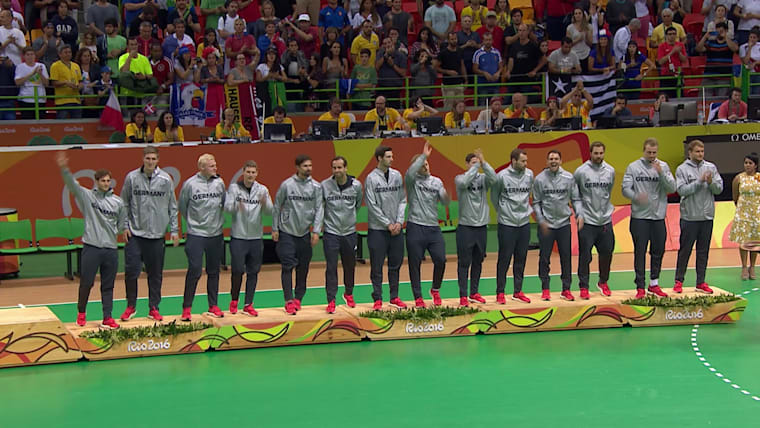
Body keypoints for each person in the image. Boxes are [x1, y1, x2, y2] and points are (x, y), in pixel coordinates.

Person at [56, 151, 126, 329]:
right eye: (102, 181)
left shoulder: (118, 202)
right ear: (97, 181)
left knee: (108, 285)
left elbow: (122, 222)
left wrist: (123, 229)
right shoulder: (88, 197)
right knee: (86, 282)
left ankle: (107, 317)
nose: (105, 183)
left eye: (108, 181)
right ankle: (81, 313)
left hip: (110, 249)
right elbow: (72, 185)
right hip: (91, 248)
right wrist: (64, 168)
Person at [119, 146, 178, 322]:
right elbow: (124, 204)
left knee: (155, 274)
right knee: (131, 272)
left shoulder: (165, 180)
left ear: (158, 160)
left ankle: (154, 307)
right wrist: (124, 226)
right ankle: (131, 306)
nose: (150, 162)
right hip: (135, 234)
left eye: (153, 159)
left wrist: (174, 230)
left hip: (157, 235)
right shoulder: (132, 178)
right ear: (143, 159)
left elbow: (172, 206)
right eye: (148, 159)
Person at [622, 138, 676, 298]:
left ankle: (654, 284)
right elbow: (625, 189)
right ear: (643, 151)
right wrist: (636, 197)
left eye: (654, 153)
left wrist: (661, 174)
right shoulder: (633, 167)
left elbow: (672, 188)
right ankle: (640, 286)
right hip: (639, 217)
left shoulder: (663, 166)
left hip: (658, 216)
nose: (651, 155)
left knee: (658, 250)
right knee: (640, 252)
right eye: (649, 152)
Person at [272, 154, 324, 315]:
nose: (308, 168)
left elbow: (319, 209)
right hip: (287, 232)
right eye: (305, 166)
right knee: (287, 266)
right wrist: (275, 228)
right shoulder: (287, 185)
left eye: (310, 165)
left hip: (304, 234)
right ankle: (288, 300)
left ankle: (298, 299)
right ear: (297, 167)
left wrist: (316, 230)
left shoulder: (316, 187)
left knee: (303, 268)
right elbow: (276, 206)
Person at [178, 154, 226, 321]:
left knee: (214, 271)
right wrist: (194, 223)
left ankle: (213, 305)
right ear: (202, 168)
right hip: (196, 235)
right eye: (212, 166)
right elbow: (182, 207)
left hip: (215, 234)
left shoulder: (219, 183)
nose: (215, 168)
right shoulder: (190, 185)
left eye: (215, 165)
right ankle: (186, 308)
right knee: (195, 270)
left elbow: (224, 203)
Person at [224, 160, 273, 316]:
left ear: (257, 173)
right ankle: (234, 300)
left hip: (256, 238)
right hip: (238, 237)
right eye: (248, 172)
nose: (250, 175)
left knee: (253, 271)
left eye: (253, 172)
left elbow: (270, 211)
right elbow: (227, 208)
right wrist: (236, 206)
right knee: (238, 270)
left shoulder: (262, 190)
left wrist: (265, 204)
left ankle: (248, 304)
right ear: (243, 172)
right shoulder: (234, 188)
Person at [674, 140, 723, 294]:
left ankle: (700, 282)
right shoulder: (682, 169)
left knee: (703, 251)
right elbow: (681, 190)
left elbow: (719, 189)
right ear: (690, 153)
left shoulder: (711, 167)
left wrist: (711, 182)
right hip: (689, 217)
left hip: (707, 217)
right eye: (697, 151)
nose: (700, 154)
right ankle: (678, 281)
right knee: (685, 250)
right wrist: (699, 181)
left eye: (702, 151)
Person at [405, 142, 450, 308]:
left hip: (433, 228)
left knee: (441, 259)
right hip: (415, 226)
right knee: (414, 263)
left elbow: (444, 201)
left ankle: (435, 289)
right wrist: (423, 155)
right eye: (422, 165)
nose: (426, 166)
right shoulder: (412, 181)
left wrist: (446, 196)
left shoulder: (436, 181)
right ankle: (418, 296)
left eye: (427, 164)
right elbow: (410, 172)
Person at [533, 150, 582, 301]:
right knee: (544, 258)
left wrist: (579, 214)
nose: (553, 161)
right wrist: (541, 220)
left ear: (561, 161)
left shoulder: (569, 178)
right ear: (547, 161)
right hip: (546, 225)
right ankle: (545, 289)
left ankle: (566, 289)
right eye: (551, 159)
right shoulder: (539, 179)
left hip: (563, 224)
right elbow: (536, 202)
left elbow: (576, 199)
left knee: (566, 258)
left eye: (556, 158)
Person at [365, 145, 407, 310]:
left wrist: (399, 222)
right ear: (380, 158)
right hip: (378, 230)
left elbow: (403, 200)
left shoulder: (397, 176)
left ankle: (394, 297)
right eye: (388, 156)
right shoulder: (371, 178)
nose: (392, 159)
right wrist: (387, 223)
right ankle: (377, 298)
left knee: (395, 265)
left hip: (396, 229)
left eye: (392, 156)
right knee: (376, 266)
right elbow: (372, 204)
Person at [491, 148, 534, 303]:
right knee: (504, 259)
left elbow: (529, 194)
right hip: (507, 224)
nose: (525, 164)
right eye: (522, 161)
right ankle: (500, 292)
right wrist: (503, 213)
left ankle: (518, 291)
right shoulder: (501, 176)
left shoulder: (529, 175)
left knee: (521, 258)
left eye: (526, 161)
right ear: (513, 161)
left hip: (524, 223)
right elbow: (494, 197)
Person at [455, 149, 496, 306]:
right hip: (466, 227)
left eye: (476, 163)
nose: (476, 165)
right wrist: (474, 168)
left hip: (481, 227)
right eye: (473, 163)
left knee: (478, 261)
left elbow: (495, 179)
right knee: (464, 262)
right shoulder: (460, 178)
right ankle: (463, 295)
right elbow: (465, 182)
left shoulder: (483, 179)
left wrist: (484, 163)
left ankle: (474, 292)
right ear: (466, 164)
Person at [321, 156, 363, 312]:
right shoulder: (325, 185)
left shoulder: (356, 186)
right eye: (334, 168)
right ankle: (331, 299)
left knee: (349, 265)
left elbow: (357, 205)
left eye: (339, 167)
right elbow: (321, 207)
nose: (337, 171)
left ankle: (349, 294)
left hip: (349, 233)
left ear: (346, 168)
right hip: (331, 233)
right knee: (331, 267)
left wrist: (349, 220)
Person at [574, 141, 615, 298]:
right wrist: (579, 214)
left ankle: (603, 282)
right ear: (590, 153)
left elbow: (608, 192)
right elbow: (575, 195)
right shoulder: (581, 172)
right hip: (587, 221)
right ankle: (583, 286)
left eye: (601, 153)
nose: (598, 156)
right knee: (585, 256)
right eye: (596, 153)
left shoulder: (610, 171)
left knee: (607, 253)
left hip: (605, 220)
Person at [731, 152, 760, 279]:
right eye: (746, 163)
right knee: (743, 241)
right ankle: (743, 266)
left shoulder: (759, 177)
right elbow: (735, 196)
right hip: (743, 213)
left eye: (750, 163)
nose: (747, 165)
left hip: (757, 213)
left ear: (756, 165)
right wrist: (741, 207)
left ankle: (752, 266)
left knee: (754, 241)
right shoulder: (739, 178)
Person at [697, 21, 738, 97]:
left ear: (726, 31)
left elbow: (735, 48)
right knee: (703, 99)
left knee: (722, 99)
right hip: (709, 76)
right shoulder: (710, 42)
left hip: (724, 77)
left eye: (721, 31)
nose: (719, 33)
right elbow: (699, 49)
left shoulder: (732, 42)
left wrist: (726, 37)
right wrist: (704, 37)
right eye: (717, 30)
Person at [14, 46, 48, 120]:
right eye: (28, 54)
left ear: (35, 55)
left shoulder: (42, 66)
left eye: (32, 54)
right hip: (26, 99)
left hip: (40, 99)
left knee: (41, 122)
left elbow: (46, 84)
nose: (30, 56)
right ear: (24, 56)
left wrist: (40, 74)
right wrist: (32, 73)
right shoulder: (20, 67)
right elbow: (17, 82)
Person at [50, 44, 82, 119]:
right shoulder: (55, 66)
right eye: (66, 52)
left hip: (76, 100)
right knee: (62, 124)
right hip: (62, 101)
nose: (68, 54)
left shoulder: (76, 66)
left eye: (69, 52)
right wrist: (66, 83)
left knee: (77, 124)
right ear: (60, 54)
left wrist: (80, 86)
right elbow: (54, 83)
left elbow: (80, 81)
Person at [436, 31, 466, 111]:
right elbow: (436, 67)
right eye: (452, 39)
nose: (454, 41)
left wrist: (466, 80)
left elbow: (462, 65)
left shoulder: (460, 51)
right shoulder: (443, 53)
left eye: (455, 39)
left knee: (460, 107)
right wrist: (447, 72)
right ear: (448, 40)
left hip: (459, 84)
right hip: (447, 85)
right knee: (448, 108)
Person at [375, 35, 406, 108]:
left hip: (395, 88)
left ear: (393, 43)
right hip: (382, 87)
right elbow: (376, 67)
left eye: (389, 42)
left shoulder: (401, 55)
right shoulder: (380, 53)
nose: (387, 45)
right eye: (385, 44)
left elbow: (403, 73)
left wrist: (393, 65)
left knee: (394, 109)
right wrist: (385, 56)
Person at [472, 32, 502, 104]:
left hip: (495, 85)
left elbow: (501, 66)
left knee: (496, 104)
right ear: (483, 41)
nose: (488, 42)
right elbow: (474, 69)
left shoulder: (496, 52)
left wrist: (498, 73)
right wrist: (484, 73)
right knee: (482, 105)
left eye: (489, 40)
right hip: (482, 85)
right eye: (486, 40)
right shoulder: (478, 53)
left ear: (492, 40)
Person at [656, 26, 687, 94]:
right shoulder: (662, 46)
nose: (672, 36)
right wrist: (672, 52)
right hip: (666, 75)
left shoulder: (680, 45)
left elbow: (684, 60)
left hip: (677, 74)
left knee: (679, 94)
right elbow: (660, 62)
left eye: (674, 34)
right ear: (666, 36)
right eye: (670, 34)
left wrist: (678, 52)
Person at [566, 7, 592, 72]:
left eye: (579, 13)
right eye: (576, 13)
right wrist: (578, 40)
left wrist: (586, 36)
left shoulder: (589, 26)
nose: (578, 15)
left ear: (583, 15)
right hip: (574, 54)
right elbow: (567, 45)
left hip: (586, 53)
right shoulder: (570, 28)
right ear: (574, 15)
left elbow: (590, 44)